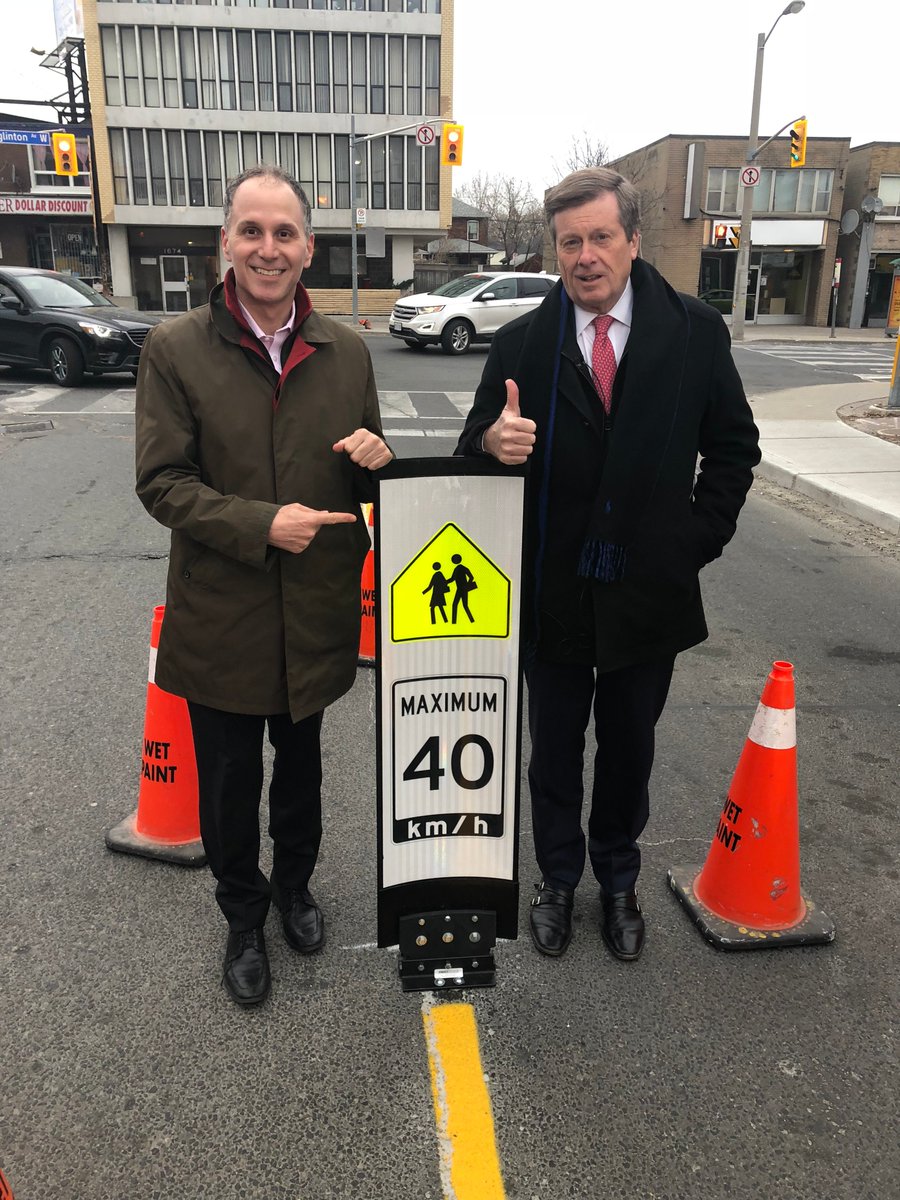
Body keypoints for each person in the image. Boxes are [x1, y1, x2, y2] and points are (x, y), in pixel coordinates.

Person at [455, 168, 760, 962]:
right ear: (555, 249)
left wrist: (693, 542)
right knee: (553, 752)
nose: (585, 256)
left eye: (599, 238)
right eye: (570, 242)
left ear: (631, 240)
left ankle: (617, 879)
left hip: (646, 593)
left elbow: (733, 451)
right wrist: (492, 445)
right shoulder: (523, 342)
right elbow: (470, 460)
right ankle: (557, 879)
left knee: (630, 749)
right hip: (551, 591)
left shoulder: (692, 331)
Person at [135, 165, 392, 1005]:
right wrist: (261, 524)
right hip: (224, 617)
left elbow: (368, 469)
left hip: (314, 612)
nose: (268, 248)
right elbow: (163, 483)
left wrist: (377, 465)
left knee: (303, 772)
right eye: (252, 231)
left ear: (309, 247)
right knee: (231, 779)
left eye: (284, 233)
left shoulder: (346, 352)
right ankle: (243, 918)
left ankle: (295, 889)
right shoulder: (175, 350)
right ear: (226, 244)